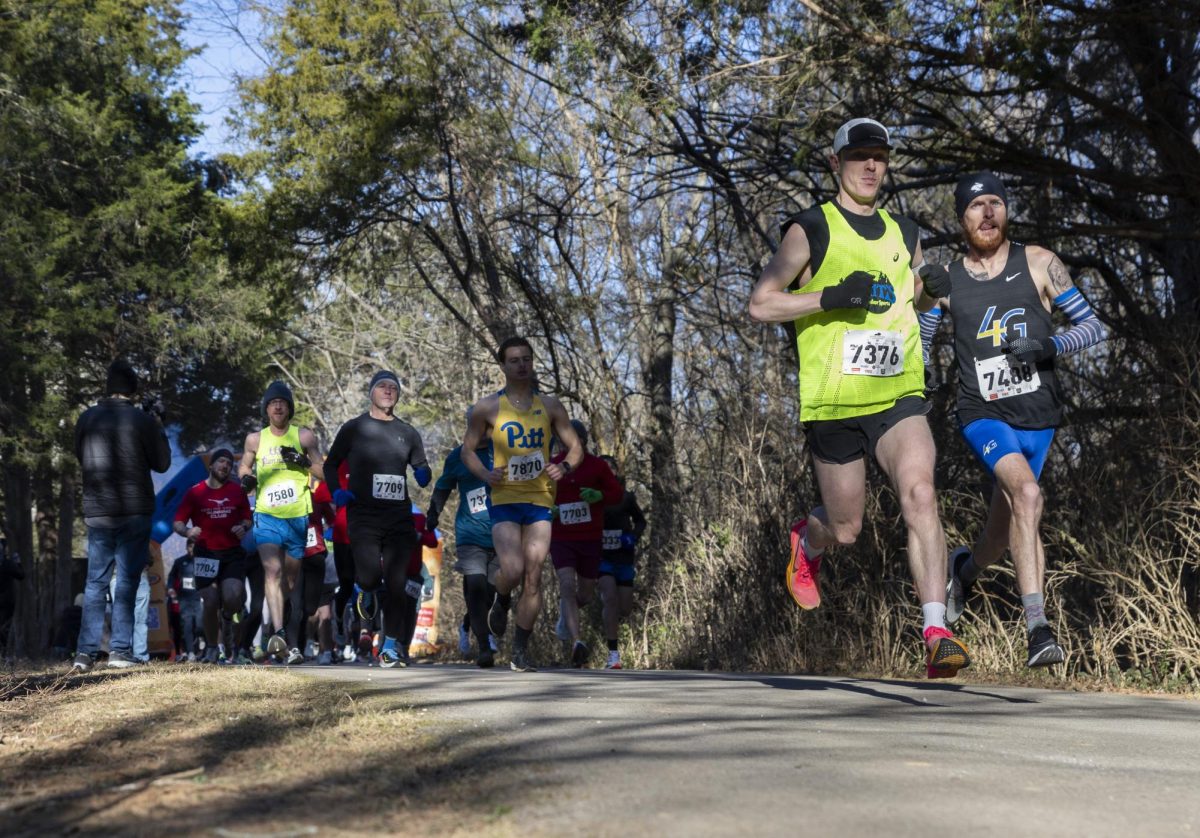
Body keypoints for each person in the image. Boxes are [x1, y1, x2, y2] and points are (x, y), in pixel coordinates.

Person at [748, 118, 970, 678]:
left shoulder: (906, 232)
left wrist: (931, 292)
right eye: (859, 157)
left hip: (897, 392)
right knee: (845, 528)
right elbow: (761, 304)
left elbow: (914, 303)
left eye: (880, 157)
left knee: (920, 492)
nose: (871, 166)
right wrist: (828, 296)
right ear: (835, 164)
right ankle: (809, 539)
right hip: (834, 401)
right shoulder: (810, 230)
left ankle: (936, 631)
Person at [918, 171, 1107, 668]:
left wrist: (1047, 344)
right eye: (975, 205)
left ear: (1006, 211)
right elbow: (918, 345)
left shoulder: (1040, 262)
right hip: (982, 413)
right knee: (1027, 495)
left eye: (995, 203)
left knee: (1002, 534)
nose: (986, 213)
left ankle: (965, 571)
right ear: (961, 218)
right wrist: (916, 387)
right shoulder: (945, 280)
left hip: (1038, 417)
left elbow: (1093, 327)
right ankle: (1038, 629)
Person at [461, 336, 585, 672]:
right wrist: (486, 474)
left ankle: (519, 649)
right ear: (503, 366)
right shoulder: (487, 408)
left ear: (533, 363)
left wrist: (565, 466)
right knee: (512, 570)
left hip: (540, 498)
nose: (521, 365)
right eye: (514, 360)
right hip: (504, 497)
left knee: (533, 576)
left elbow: (576, 448)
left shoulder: (551, 406)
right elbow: (467, 450)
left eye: (526, 359)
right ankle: (501, 598)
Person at [322, 371, 433, 668]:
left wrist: (424, 473)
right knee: (370, 577)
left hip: (398, 517)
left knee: (396, 584)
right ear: (371, 392)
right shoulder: (355, 428)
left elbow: (421, 465)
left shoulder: (408, 432)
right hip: (364, 516)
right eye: (382, 386)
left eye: (393, 387)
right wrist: (337, 492)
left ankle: (391, 647)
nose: (388, 391)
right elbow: (331, 465)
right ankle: (366, 593)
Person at [71, 359, 171, 671]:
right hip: (134, 509)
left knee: (95, 582)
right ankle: (119, 651)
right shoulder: (142, 421)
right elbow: (162, 463)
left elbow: (80, 456)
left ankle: (85, 654)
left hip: (99, 510)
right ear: (133, 389)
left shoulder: (86, 418)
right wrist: (158, 424)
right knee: (127, 580)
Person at [238, 381, 323, 662]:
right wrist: (245, 478)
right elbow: (244, 466)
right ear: (266, 409)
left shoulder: (305, 436)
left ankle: (279, 625)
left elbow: (323, 472)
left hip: (297, 518)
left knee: (289, 580)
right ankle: (279, 635)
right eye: (273, 403)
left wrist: (301, 460)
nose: (277, 406)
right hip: (266, 516)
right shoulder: (255, 439)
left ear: (289, 409)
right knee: (271, 573)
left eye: (283, 403)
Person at [427, 408, 501, 668]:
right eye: (474, 425)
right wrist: (432, 515)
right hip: (470, 534)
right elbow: (443, 487)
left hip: (503, 533)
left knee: (492, 593)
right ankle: (484, 647)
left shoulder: (502, 450)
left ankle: (473, 622)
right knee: (477, 587)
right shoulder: (458, 456)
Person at [549, 420, 622, 667]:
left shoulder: (598, 466)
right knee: (567, 586)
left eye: (575, 440)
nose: (569, 444)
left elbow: (617, 494)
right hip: (561, 538)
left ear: (583, 441)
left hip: (590, 538)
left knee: (586, 594)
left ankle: (566, 617)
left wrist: (600, 495)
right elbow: (538, 496)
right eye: (564, 440)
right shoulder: (553, 466)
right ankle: (577, 642)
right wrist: (550, 509)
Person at [173, 448, 251, 664]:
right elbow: (177, 522)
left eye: (229, 463)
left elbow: (247, 518)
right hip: (206, 553)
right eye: (221, 462)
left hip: (232, 553)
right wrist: (188, 532)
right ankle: (211, 647)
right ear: (211, 466)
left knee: (233, 597)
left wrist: (243, 527)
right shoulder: (195, 492)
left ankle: (227, 618)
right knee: (209, 600)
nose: (225, 466)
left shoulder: (237, 491)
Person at [598, 455, 647, 670]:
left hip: (624, 558)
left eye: (611, 469)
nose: (607, 472)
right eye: (603, 469)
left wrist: (633, 536)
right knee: (609, 599)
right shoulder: (592, 498)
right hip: (603, 559)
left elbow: (641, 521)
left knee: (625, 609)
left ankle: (611, 623)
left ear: (616, 472)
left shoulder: (626, 498)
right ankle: (613, 654)